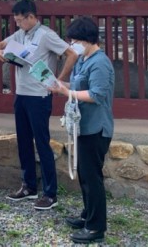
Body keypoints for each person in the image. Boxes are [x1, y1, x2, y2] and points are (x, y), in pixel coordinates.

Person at [0, 0, 78, 211]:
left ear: (31, 17)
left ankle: (50, 193)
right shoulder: (20, 35)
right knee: (23, 142)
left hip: (39, 95)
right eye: (16, 21)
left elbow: (71, 54)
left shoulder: (46, 34)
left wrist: (59, 79)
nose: (18, 24)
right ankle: (28, 186)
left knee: (41, 142)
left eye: (21, 20)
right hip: (21, 94)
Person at [48, 16, 115, 244]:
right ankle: (88, 216)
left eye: (75, 39)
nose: (73, 44)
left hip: (96, 128)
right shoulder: (83, 60)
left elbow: (96, 95)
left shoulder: (100, 62)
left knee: (92, 177)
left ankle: (96, 227)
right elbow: (76, 86)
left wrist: (67, 93)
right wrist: (59, 85)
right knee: (85, 176)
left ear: (87, 39)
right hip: (82, 126)